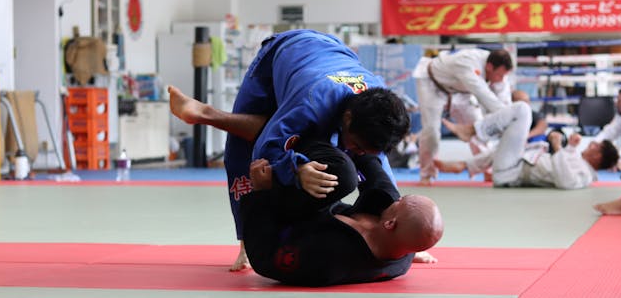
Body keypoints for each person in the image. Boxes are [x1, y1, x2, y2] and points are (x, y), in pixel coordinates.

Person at [169, 29, 410, 271]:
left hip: (334, 51)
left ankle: (209, 114)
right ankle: (207, 114)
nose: (355, 151)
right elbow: (267, 147)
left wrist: (400, 236)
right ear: (347, 118)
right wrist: (297, 169)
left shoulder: (380, 108)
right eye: (356, 144)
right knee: (245, 147)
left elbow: (380, 168)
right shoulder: (311, 102)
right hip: (282, 52)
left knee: (346, 151)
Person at [242, 139, 443, 286]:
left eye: (400, 203)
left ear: (390, 224)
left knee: (344, 174)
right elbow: (378, 175)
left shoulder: (328, 261)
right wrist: (359, 138)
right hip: (327, 213)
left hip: (289, 225)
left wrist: (261, 193)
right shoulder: (401, 250)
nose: (397, 199)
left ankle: (307, 136)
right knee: (365, 176)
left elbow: (263, 259)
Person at [436, 102, 619, 189]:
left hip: (510, 174)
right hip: (514, 164)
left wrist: (557, 147)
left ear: (598, 156)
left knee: (522, 109)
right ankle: (466, 165)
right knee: (519, 139)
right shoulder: (577, 160)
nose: (592, 144)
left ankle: (473, 132)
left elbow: (567, 182)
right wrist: (569, 146)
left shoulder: (586, 175)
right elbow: (563, 163)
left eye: (596, 145)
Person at [413, 47, 513, 185]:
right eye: (500, 76)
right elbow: (484, 95)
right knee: (431, 130)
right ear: (489, 67)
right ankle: (426, 174)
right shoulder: (467, 62)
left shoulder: (499, 71)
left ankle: (488, 170)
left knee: (479, 127)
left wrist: (510, 118)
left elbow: (504, 100)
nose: (501, 79)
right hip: (433, 84)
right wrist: (509, 117)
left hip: (461, 92)